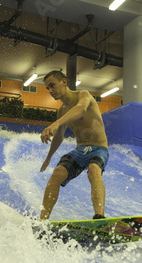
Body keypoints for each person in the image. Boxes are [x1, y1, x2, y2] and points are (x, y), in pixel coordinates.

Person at [39, 70, 109, 221]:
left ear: (64, 82)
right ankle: (42, 221)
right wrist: (48, 158)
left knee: (93, 170)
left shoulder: (83, 95)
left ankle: (99, 218)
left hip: (99, 148)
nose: (50, 91)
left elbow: (81, 109)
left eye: (52, 85)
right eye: (47, 88)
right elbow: (58, 137)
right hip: (80, 150)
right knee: (57, 173)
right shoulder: (62, 111)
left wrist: (56, 123)